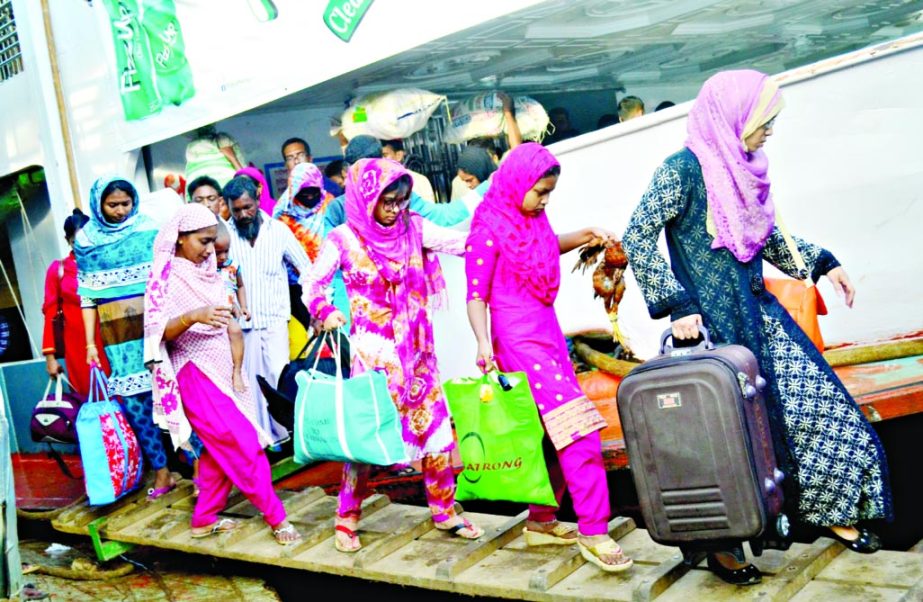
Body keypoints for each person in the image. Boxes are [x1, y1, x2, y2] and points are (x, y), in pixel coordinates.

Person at [622, 70, 890, 585]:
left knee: (818, 409)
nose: (769, 132)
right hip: (709, 337)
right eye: (764, 122)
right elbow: (638, 235)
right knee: (719, 439)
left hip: (759, 316)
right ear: (734, 117)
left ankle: (828, 509)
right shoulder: (683, 171)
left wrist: (823, 262)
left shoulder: (743, 168)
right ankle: (724, 546)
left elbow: (762, 238)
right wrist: (675, 307)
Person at [464, 142, 633, 573]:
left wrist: (585, 235)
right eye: (539, 191)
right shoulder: (487, 228)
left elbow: (541, 248)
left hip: (547, 331)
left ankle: (541, 521)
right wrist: (483, 344)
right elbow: (475, 296)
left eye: (549, 193)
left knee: (545, 431)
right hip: (516, 338)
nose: (544, 200)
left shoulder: (532, 218)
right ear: (518, 183)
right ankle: (594, 530)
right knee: (578, 430)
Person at [303, 158, 483, 553]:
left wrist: (502, 229)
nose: (396, 209)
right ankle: (347, 519)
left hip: (418, 352)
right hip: (374, 357)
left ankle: (444, 509)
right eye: (388, 201)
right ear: (367, 198)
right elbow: (311, 285)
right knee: (366, 439)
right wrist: (326, 311)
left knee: (435, 430)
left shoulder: (414, 229)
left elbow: (462, 242)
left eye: (402, 201)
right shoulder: (342, 239)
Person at [142, 203, 301, 545]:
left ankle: (203, 518)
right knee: (243, 444)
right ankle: (276, 517)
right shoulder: (164, 277)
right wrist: (193, 316)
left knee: (218, 449)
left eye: (212, 241)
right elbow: (156, 334)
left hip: (226, 369)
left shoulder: (210, 269)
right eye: (202, 241)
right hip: (195, 373)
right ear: (180, 238)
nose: (209, 249)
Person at [74, 176, 176, 499]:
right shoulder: (87, 242)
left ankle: (200, 463)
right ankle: (161, 471)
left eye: (125, 204)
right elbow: (88, 297)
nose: (120, 211)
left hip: (157, 325)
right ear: (98, 205)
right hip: (117, 334)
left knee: (175, 392)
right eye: (112, 205)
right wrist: (91, 344)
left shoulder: (148, 230)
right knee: (135, 404)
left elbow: (167, 277)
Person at [223, 175, 307, 445]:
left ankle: (290, 436)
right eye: (237, 210)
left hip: (274, 322)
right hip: (240, 328)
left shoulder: (279, 231)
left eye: (248, 207)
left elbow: (307, 270)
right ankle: (260, 441)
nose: (244, 214)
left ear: (258, 199)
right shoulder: (223, 237)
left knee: (280, 381)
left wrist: (318, 307)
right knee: (249, 385)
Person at [325, 136, 470, 230]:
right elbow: (443, 216)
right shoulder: (338, 209)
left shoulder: (401, 195)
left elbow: (442, 218)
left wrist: (488, 188)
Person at [42, 209, 110, 397]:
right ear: (68, 241)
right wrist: (50, 357)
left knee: (120, 395)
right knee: (88, 395)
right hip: (77, 344)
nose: (82, 247)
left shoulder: (106, 263)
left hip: (111, 338)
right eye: (75, 242)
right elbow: (50, 312)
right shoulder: (58, 270)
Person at [273, 162, 337, 330]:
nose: (309, 197)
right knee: (312, 331)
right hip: (297, 285)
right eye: (304, 193)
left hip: (332, 280)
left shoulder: (331, 204)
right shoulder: (282, 212)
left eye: (313, 192)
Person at [214, 220, 249, 393]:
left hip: (229, 312)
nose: (222, 257)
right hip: (215, 312)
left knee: (235, 332)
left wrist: (243, 306)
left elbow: (240, 286)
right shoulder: (207, 269)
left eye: (225, 251)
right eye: (217, 253)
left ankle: (237, 371)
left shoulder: (233, 266)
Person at [184, 125, 245, 189]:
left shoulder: (190, 150)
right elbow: (244, 179)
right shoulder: (223, 140)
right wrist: (233, 158)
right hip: (227, 189)